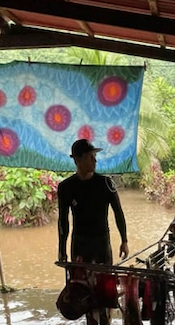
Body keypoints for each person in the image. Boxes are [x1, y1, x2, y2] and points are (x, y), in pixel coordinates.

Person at [57, 139, 129, 325]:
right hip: (79, 246)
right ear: (78, 160)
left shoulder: (106, 183)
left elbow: (118, 213)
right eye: (90, 157)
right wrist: (61, 249)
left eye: (95, 157)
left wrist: (124, 240)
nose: (95, 161)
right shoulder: (66, 187)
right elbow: (63, 221)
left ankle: (105, 321)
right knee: (81, 293)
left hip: (102, 245)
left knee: (105, 292)